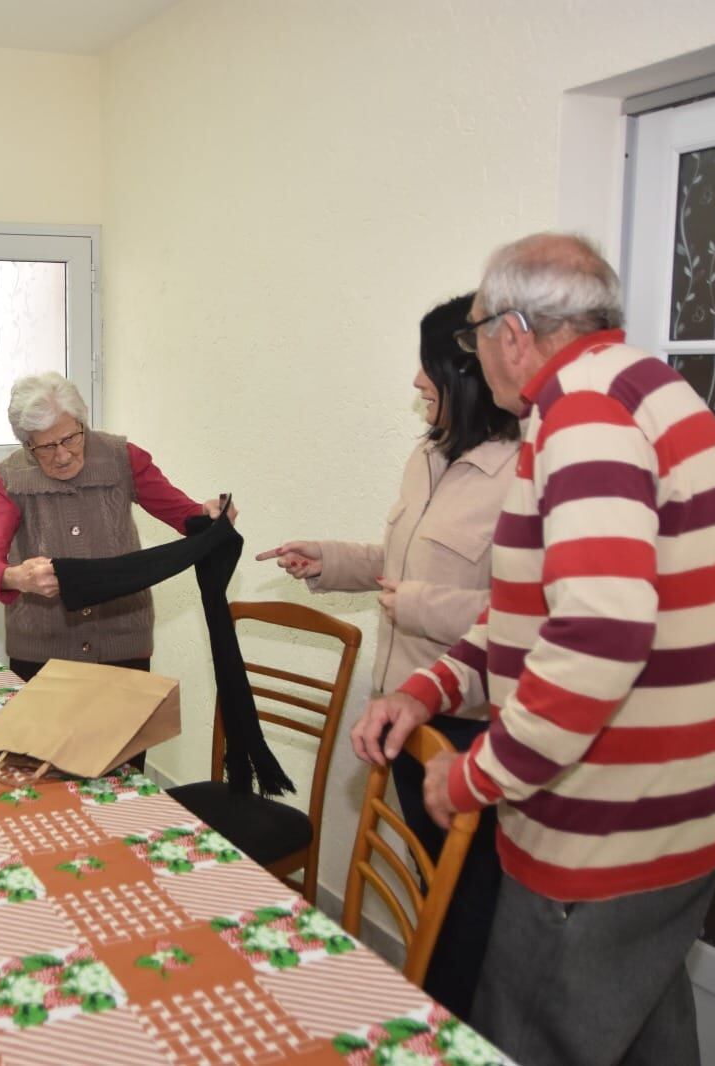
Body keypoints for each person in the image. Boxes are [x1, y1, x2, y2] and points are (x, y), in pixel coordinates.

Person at [350, 234, 715, 1066]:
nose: (477, 356)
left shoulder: (586, 417)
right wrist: (430, 689)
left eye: (476, 336)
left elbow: (596, 639)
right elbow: (534, 617)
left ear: (514, 330)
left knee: (521, 1043)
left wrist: (473, 776)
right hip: (670, 824)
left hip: (595, 837)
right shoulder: (657, 393)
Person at [256, 291, 518, 1017]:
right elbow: (395, 562)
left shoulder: (525, 476)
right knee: (428, 881)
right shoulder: (428, 458)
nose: (414, 382)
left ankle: (450, 1027)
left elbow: (537, 613)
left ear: (464, 373)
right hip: (402, 708)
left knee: (465, 906)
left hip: (468, 722)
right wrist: (329, 559)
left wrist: (425, 606)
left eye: (426, 366)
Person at [0, 372, 232, 681]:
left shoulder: (123, 458)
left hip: (122, 645)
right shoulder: (11, 476)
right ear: (28, 445)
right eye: (46, 446)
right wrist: (17, 577)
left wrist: (208, 513)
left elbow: (184, 515)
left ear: (83, 423)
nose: (63, 454)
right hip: (41, 652)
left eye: (71, 438)